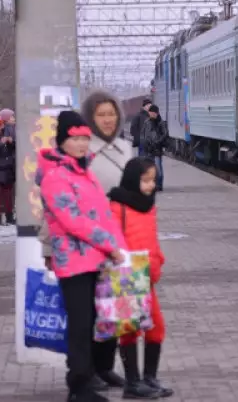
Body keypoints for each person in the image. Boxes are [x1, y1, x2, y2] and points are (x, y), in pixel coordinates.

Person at [41, 91, 136, 391]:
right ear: (62, 142)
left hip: (98, 256)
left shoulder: (84, 171)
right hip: (75, 259)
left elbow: (104, 214)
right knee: (81, 324)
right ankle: (80, 383)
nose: (82, 143)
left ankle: (95, 374)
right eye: (75, 138)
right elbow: (73, 220)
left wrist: (119, 247)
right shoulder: (57, 176)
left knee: (104, 316)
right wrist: (111, 245)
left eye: (84, 138)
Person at [110, 158, 173, 399]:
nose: (151, 185)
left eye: (153, 180)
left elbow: (152, 238)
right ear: (132, 179)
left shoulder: (149, 205)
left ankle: (149, 378)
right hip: (129, 274)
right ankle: (132, 383)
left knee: (156, 327)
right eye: (145, 180)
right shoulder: (118, 206)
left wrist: (158, 260)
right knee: (130, 330)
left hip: (148, 275)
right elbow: (112, 240)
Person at [140, 105, 167, 192]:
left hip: (157, 148)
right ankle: (153, 184)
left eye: (152, 112)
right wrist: (144, 143)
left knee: (158, 167)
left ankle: (159, 185)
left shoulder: (161, 123)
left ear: (156, 113)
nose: (150, 114)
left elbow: (165, 134)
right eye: (150, 112)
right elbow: (143, 134)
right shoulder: (146, 122)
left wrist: (157, 142)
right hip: (148, 148)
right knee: (150, 168)